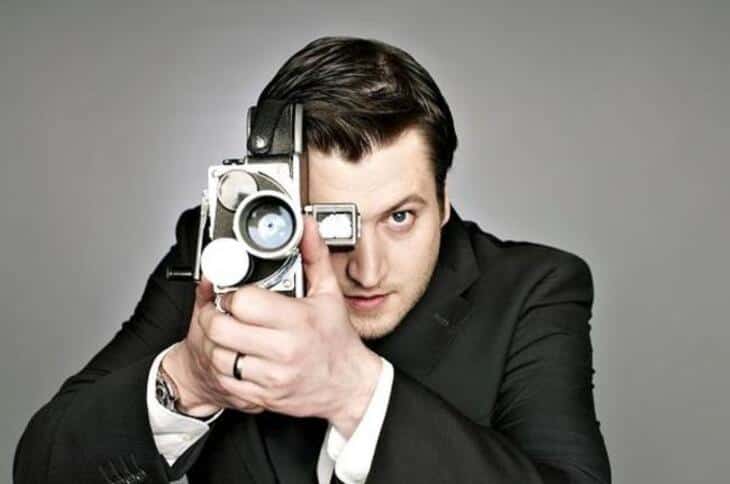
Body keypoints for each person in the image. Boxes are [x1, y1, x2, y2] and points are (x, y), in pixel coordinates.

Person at [14, 37, 610, 484]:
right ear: (268, 208)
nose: (368, 269)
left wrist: (358, 394)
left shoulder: (533, 288)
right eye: (331, 225)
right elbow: (42, 467)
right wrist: (191, 379)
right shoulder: (225, 257)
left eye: (401, 217)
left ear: (444, 198)